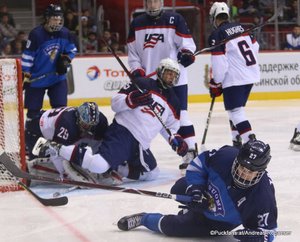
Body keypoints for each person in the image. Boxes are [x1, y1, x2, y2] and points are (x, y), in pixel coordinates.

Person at [33, 58, 188, 183]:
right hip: (123, 132)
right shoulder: (142, 83)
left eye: (174, 75)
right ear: (160, 72)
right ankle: (56, 148)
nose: (171, 78)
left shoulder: (174, 101)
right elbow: (115, 103)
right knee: (99, 165)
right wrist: (131, 99)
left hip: (141, 143)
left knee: (151, 173)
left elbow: (170, 128)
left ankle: (116, 167)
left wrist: (176, 140)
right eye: (168, 74)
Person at [117, 139, 278, 241]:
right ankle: (191, 207)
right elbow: (197, 166)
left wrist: (253, 236)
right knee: (179, 188)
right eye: (242, 167)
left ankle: (143, 218)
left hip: (218, 222)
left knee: (175, 228)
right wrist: (196, 190)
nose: (243, 173)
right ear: (237, 159)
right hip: (203, 191)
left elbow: (268, 233)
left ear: (260, 172)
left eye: (250, 172)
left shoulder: (262, 197)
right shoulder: (225, 156)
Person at [127, 0, 197, 173]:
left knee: (181, 117)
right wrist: (137, 70)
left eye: (155, 1)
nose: (152, 5)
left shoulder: (175, 19)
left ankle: (191, 154)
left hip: (175, 79)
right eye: (149, 2)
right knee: (154, 119)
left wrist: (187, 54)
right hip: (151, 82)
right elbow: (133, 53)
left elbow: (187, 44)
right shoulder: (137, 23)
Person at [21, 4, 77, 160]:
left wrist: (65, 60)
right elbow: (27, 56)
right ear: (46, 18)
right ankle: (30, 144)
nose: (57, 22)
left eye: (59, 18)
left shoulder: (65, 33)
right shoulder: (36, 35)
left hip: (56, 79)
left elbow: (72, 49)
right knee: (32, 114)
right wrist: (25, 75)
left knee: (61, 112)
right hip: (37, 80)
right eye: (54, 18)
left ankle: (60, 143)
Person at [207, 2, 259, 148]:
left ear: (213, 17)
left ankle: (251, 143)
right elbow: (255, 47)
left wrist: (216, 82)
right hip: (250, 75)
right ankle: (236, 140)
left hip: (234, 78)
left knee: (235, 111)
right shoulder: (244, 28)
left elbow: (219, 63)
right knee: (237, 110)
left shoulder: (217, 34)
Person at [27, 102, 109, 180]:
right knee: (55, 154)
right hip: (36, 131)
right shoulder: (67, 124)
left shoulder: (100, 121)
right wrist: (65, 174)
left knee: (94, 140)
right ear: (78, 117)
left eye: (91, 125)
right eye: (85, 124)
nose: (88, 128)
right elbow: (56, 150)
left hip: (57, 129)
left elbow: (102, 142)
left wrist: (103, 161)